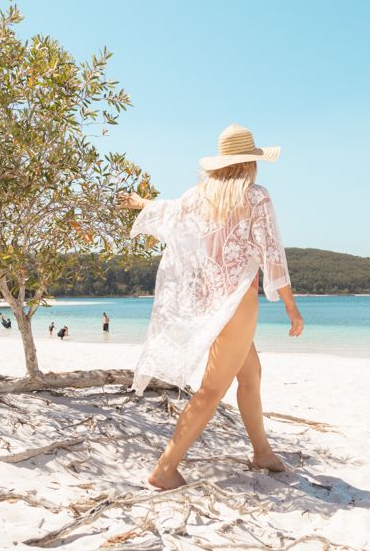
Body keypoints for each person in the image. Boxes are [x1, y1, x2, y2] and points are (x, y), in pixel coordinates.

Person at [119, 123, 303, 490]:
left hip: (210, 302)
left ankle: (262, 452)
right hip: (237, 305)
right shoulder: (256, 197)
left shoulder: (199, 196)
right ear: (250, 162)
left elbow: (168, 211)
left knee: (250, 375)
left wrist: (140, 203)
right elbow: (273, 257)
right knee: (211, 390)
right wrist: (292, 309)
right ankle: (165, 468)